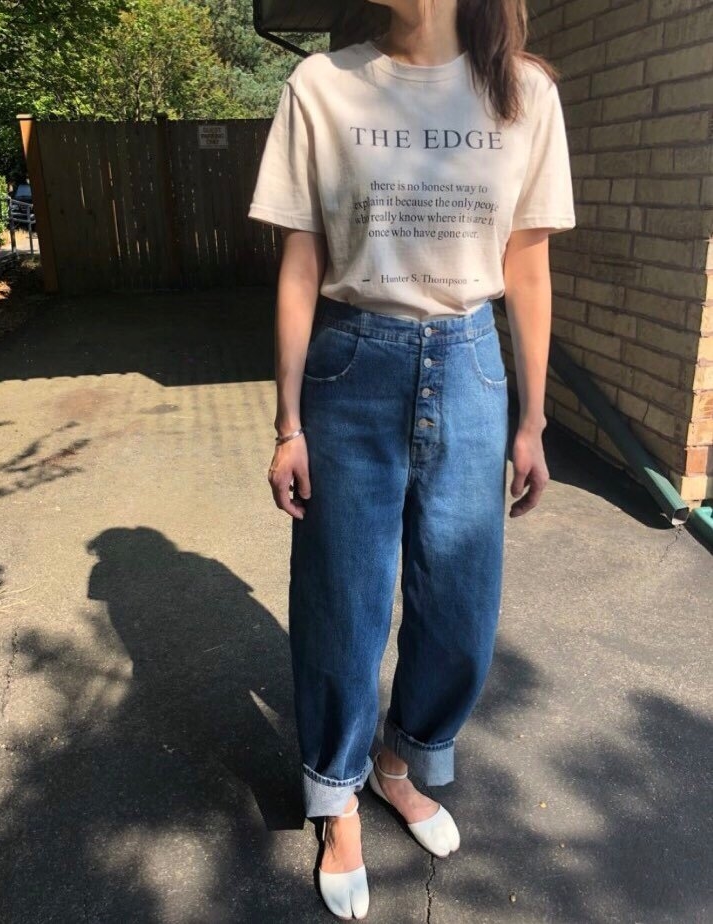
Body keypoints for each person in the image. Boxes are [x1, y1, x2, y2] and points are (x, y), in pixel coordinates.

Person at [248, 0, 576, 917]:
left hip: (470, 364)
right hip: (351, 363)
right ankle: (336, 797)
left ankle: (399, 761)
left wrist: (531, 420)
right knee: (342, 603)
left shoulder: (522, 94)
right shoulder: (321, 84)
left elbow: (527, 266)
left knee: (461, 609)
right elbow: (300, 262)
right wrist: (287, 422)